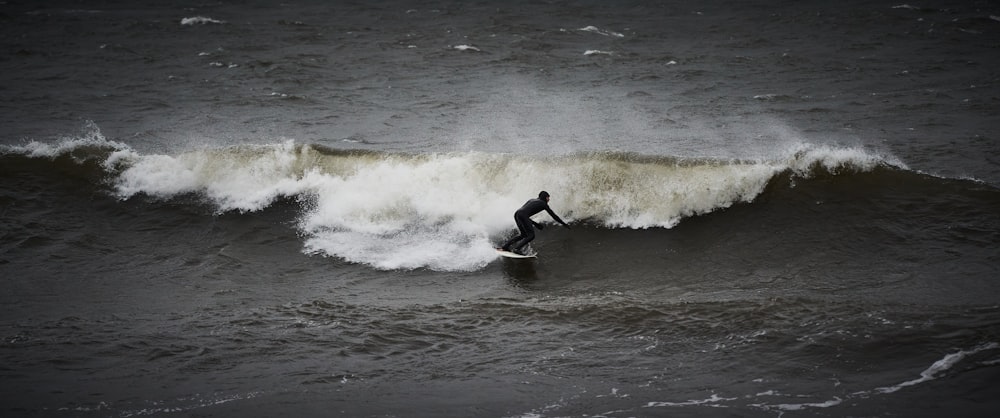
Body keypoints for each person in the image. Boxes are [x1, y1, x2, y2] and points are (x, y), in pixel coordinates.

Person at [499, 191, 570, 255]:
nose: (549, 199)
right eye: (548, 197)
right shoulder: (543, 204)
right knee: (531, 235)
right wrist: (564, 224)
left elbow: (524, 213)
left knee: (523, 234)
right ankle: (517, 249)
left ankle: (505, 247)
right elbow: (554, 216)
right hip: (523, 215)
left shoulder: (531, 200)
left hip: (517, 214)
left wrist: (535, 224)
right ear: (545, 197)